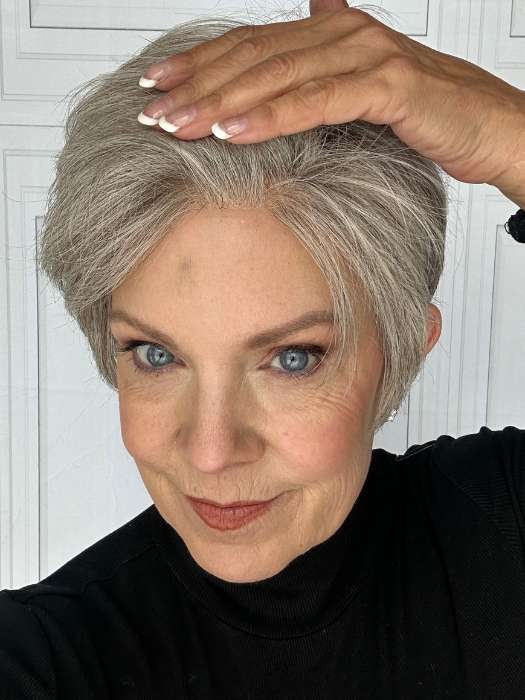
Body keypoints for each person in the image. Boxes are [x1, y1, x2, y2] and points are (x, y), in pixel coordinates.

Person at [1, 1, 525, 698]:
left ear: (403, 353)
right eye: (155, 354)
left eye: (292, 358)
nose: (211, 453)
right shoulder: (44, 656)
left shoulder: (505, 524)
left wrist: (509, 135)